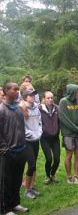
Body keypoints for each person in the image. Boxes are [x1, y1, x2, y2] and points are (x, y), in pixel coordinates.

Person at [0, 83, 29, 214]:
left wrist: (23, 145)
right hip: (7, 153)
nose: (18, 91)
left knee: (17, 179)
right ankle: (6, 208)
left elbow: (21, 129)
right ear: (6, 91)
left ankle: (15, 203)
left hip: (21, 149)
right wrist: (4, 149)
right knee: (6, 181)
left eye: (18, 89)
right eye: (15, 89)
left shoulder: (18, 109)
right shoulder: (1, 110)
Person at [19, 86, 43, 199]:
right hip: (27, 141)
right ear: (25, 97)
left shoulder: (36, 108)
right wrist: (32, 135)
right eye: (31, 95)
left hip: (36, 140)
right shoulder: (21, 108)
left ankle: (32, 186)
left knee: (33, 166)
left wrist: (39, 133)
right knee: (31, 164)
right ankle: (27, 190)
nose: (33, 97)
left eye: (34, 95)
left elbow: (39, 122)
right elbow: (21, 126)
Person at [58, 84, 78, 184]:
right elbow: (63, 118)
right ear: (72, 92)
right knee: (69, 154)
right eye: (77, 92)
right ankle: (69, 176)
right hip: (68, 133)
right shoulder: (63, 102)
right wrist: (75, 128)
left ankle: (76, 175)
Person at [39, 91, 60, 185]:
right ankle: (47, 176)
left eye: (51, 98)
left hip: (55, 138)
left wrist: (57, 129)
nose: (50, 99)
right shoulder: (39, 109)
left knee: (57, 159)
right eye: (48, 98)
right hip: (45, 138)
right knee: (49, 158)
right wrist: (43, 130)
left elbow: (60, 121)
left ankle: (52, 175)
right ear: (44, 99)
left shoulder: (57, 108)